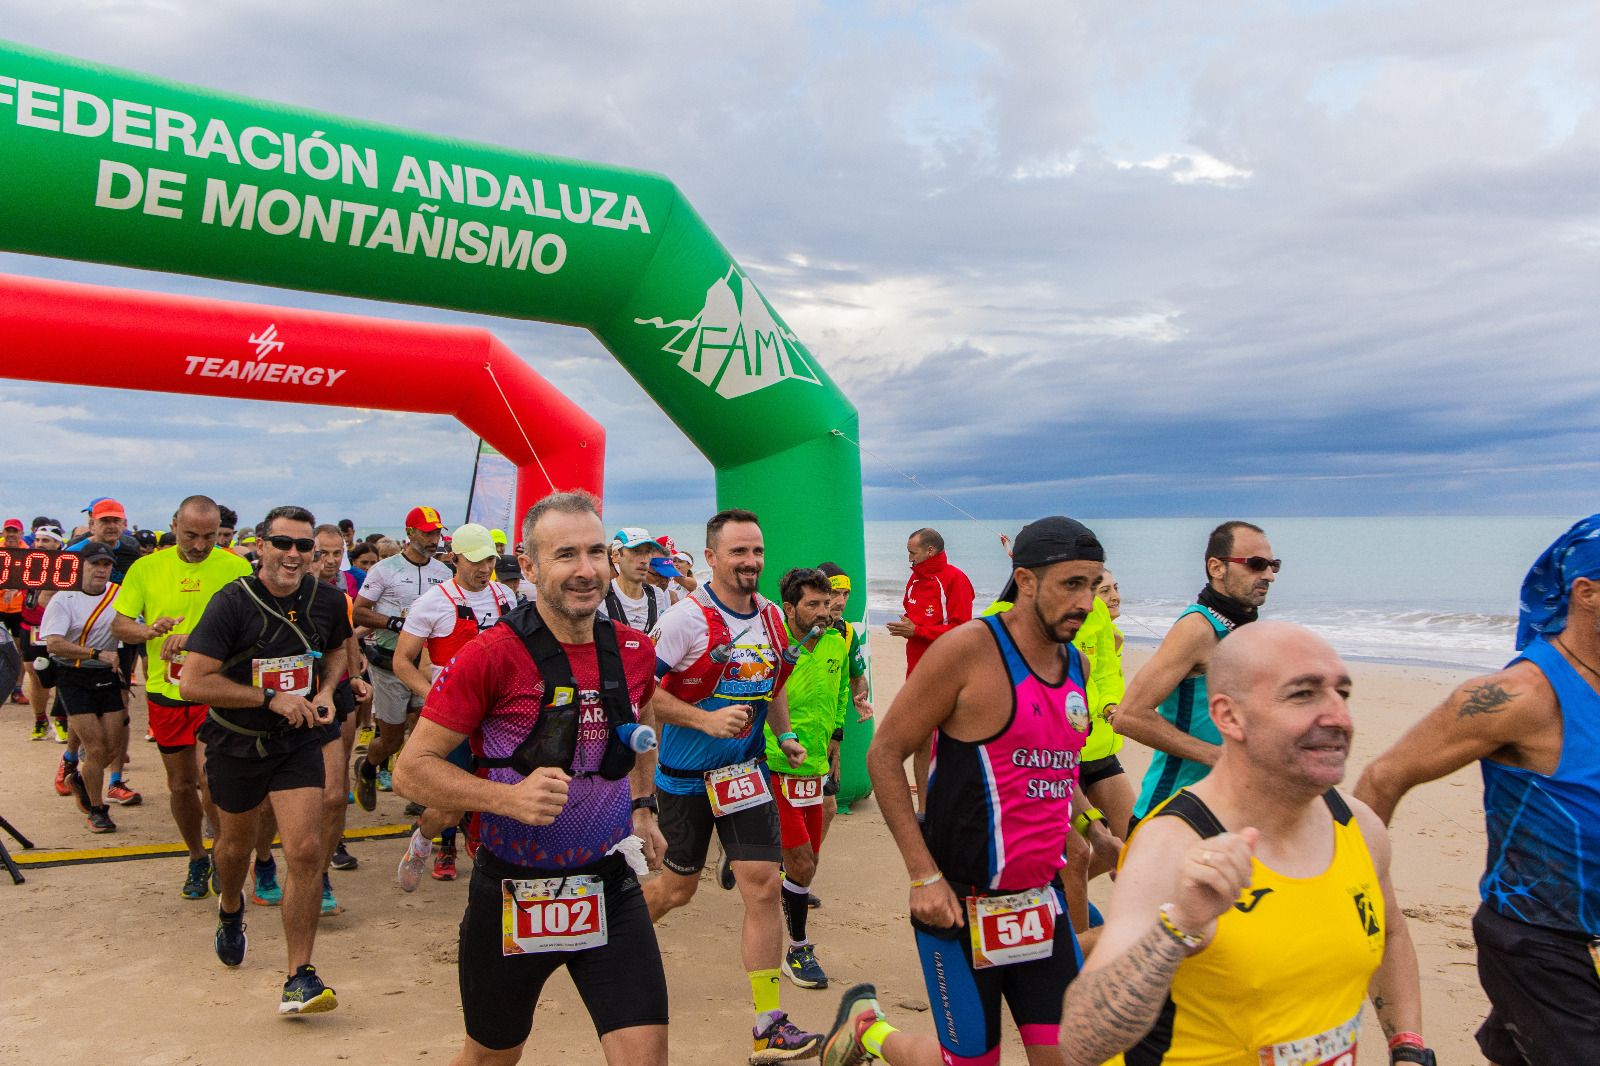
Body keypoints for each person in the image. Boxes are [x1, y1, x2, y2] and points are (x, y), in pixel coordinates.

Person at [1052, 621, 1432, 1066]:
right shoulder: (1171, 844)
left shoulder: (1358, 825)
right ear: (1229, 716)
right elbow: (1080, 1042)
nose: (1337, 717)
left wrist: (1407, 1046)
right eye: (1303, 694)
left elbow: (1389, 934)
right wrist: (1177, 928)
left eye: (1341, 694)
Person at [393, 491, 669, 1065]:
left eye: (596, 551)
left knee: (646, 1057)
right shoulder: (489, 655)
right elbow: (411, 771)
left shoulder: (635, 650)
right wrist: (506, 797)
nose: (586, 570)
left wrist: (644, 806)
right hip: (511, 887)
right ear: (532, 564)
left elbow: (640, 719)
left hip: (608, 883)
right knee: (493, 1056)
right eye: (566, 554)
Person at [827, 517, 1112, 1066]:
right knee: (970, 1062)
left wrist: (1091, 824)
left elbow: (1052, 762)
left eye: (1094, 585)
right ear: (1025, 581)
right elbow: (884, 755)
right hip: (958, 902)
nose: (1086, 601)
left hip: (1040, 901)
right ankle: (870, 1033)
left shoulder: (1075, 662)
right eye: (1072, 584)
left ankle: (868, 1031)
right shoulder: (968, 651)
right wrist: (922, 875)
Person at [1355, 514, 1600, 1066]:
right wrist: (1359, 894)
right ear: (1587, 593)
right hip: (1540, 943)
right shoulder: (1516, 698)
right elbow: (1383, 777)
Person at [642, 508, 822, 1063]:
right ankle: (611, 935)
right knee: (677, 891)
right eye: (739, 553)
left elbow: (772, 685)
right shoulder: (684, 620)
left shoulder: (771, 617)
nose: (751, 562)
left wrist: (785, 734)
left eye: (758, 552)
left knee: (764, 886)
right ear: (713, 557)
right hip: (683, 780)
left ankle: (768, 1024)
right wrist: (702, 720)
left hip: (744, 776)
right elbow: (640, 693)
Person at [180, 505, 353, 1015]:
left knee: (302, 850)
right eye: (283, 543)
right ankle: (231, 909)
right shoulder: (231, 603)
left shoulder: (327, 600)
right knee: (233, 848)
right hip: (237, 742)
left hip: (296, 741)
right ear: (261, 545)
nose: (294, 556)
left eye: (306, 547)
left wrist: (325, 689)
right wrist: (267, 698)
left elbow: (340, 649)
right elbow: (193, 682)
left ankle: (300, 976)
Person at [113, 495, 253, 899]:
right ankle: (196, 855)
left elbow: (250, 626)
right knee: (180, 785)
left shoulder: (235, 566)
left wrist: (198, 641)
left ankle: (222, 853)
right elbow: (121, 624)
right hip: (166, 691)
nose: (199, 544)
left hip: (216, 688)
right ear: (174, 524)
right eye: (190, 535)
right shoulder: (146, 567)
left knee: (213, 780)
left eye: (209, 536)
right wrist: (149, 631)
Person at [1117, 520, 1278, 832]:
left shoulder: (1246, 633)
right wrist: (1217, 758)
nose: (1269, 575)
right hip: (1171, 815)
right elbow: (1129, 716)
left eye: (1273, 565)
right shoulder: (1197, 629)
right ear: (1216, 568)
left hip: (1230, 812)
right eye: (1256, 564)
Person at [392, 522, 514, 885]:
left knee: (500, 784)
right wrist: (437, 699)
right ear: (453, 558)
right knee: (448, 802)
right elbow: (402, 661)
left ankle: (486, 848)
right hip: (453, 717)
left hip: (497, 713)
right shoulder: (432, 602)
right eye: (475, 561)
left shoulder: (505, 597)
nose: (484, 568)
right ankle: (429, 842)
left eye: (489, 560)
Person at [762, 567, 848, 990]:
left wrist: (836, 738)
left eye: (826, 603)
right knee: (801, 862)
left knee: (805, 865)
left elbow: (842, 690)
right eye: (812, 605)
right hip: (774, 764)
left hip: (814, 768)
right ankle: (797, 949)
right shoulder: (774, 645)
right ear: (789, 608)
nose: (822, 612)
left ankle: (753, 851)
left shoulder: (836, 641)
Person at [352, 505, 451, 808]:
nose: (434, 539)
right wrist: (393, 622)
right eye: (427, 533)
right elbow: (358, 611)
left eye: (437, 533)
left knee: (425, 734)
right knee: (393, 739)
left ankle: (419, 796)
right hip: (388, 663)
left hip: (424, 665)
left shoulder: (443, 572)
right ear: (409, 533)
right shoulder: (385, 570)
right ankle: (368, 768)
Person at [39, 541, 126, 832]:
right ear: (81, 567)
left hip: (107, 675)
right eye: (95, 564)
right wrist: (95, 653)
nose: (101, 570)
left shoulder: (119, 596)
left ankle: (78, 778)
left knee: (111, 749)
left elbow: (133, 627)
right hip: (73, 676)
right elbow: (53, 643)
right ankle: (98, 808)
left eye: (106, 565)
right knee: (96, 745)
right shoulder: (64, 599)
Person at [886, 527, 974, 816]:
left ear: (930, 551)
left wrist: (918, 630)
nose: (909, 558)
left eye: (912, 552)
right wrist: (907, 629)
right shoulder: (915, 578)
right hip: (917, 672)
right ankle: (924, 808)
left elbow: (963, 630)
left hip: (947, 673)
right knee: (922, 740)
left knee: (952, 741)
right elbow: (915, 619)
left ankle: (953, 806)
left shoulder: (954, 579)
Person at [600, 527, 673, 632]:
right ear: (616, 556)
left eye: (647, 552)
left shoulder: (657, 595)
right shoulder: (601, 596)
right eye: (636, 551)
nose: (644, 560)